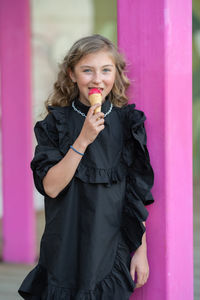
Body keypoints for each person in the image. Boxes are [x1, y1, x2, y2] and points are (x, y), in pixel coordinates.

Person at [18, 34, 155, 300]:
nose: (97, 79)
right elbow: (52, 187)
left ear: (116, 73)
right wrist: (83, 138)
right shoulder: (55, 123)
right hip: (65, 245)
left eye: (106, 70)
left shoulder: (128, 122)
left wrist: (141, 251)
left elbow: (135, 194)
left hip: (110, 248)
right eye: (87, 70)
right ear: (71, 74)